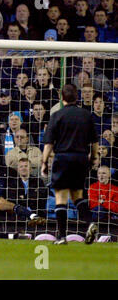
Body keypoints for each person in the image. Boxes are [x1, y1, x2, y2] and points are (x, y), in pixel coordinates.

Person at [41, 84, 100, 245]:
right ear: (77, 97)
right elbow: (95, 142)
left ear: (62, 97)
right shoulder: (86, 115)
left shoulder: (57, 115)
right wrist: (93, 158)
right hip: (81, 159)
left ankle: (61, 236)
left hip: (63, 158)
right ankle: (89, 223)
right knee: (77, 195)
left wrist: (44, 162)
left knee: (61, 196)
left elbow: (48, 144)